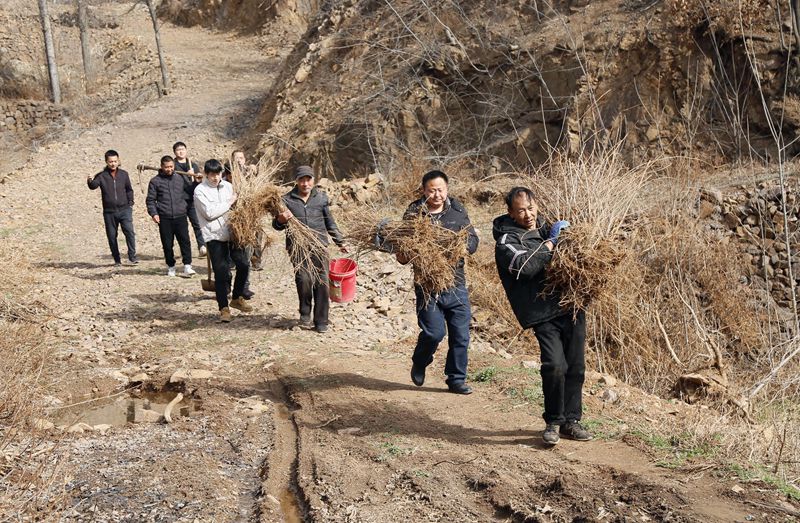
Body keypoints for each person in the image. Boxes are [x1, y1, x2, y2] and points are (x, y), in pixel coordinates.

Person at [493, 186, 591, 445]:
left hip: (570, 305)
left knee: (576, 367)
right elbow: (526, 267)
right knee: (554, 366)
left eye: (531, 207)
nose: (528, 214)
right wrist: (550, 244)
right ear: (511, 213)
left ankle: (572, 421)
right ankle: (553, 422)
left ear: (537, 204)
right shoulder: (506, 241)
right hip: (540, 312)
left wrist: (573, 238)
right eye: (521, 210)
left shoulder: (549, 226)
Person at [401, 170, 479, 395]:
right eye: (432, 190)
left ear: (447, 189)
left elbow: (472, 238)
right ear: (424, 191)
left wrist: (464, 247)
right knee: (434, 333)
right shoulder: (415, 213)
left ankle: (456, 379)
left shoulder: (457, 211)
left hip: (456, 282)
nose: (437, 194)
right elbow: (403, 247)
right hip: (427, 285)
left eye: (440, 190)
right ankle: (420, 359)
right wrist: (407, 251)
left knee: (461, 335)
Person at [272, 165, 346, 333]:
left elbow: (330, 223)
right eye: (301, 180)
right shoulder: (286, 200)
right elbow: (276, 226)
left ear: (313, 180)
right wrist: (281, 219)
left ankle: (321, 321)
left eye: (308, 180)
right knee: (304, 279)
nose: (305, 184)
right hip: (298, 248)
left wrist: (340, 241)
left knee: (322, 283)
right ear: (296, 181)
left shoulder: (321, 199)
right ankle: (305, 312)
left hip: (320, 246)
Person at [193, 159, 253, 322]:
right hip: (214, 236)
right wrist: (229, 202)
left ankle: (237, 298)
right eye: (211, 174)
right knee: (221, 272)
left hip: (233, 233)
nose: (215, 178)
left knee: (244, 265)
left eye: (218, 174)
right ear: (206, 174)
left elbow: (237, 206)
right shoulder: (200, 191)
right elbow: (209, 213)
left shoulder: (228, 186)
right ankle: (223, 308)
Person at [145, 155, 196, 277]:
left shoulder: (180, 178)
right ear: (161, 167)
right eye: (166, 167)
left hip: (181, 215)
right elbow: (150, 200)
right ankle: (171, 266)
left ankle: (187, 265)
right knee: (167, 244)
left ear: (174, 165)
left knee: (185, 241)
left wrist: (196, 181)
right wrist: (154, 213)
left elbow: (190, 191)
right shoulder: (155, 181)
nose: (169, 169)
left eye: (171, 166)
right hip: (164, 217)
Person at [87, 150, 137, 267]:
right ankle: (117, 260)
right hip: (109, 212)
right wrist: (89, 179)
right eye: (110, 162)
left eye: (115, 161)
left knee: (129, 232)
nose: (113, 164)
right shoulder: (102, 175)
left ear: (118, 161)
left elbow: (129, 189)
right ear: (106, 162)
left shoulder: (124, 174)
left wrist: (130, 202)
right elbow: (93, 186)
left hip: (125, 210)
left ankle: (132, 257)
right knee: (111, 235)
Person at [172, 141, 206, 258]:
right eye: (178, 149)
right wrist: (187, 175)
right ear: (175, 152)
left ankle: (202, 246)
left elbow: (198, 184)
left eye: (183, 149)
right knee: (182, 226)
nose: (181, 151)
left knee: (197, 223)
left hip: (191, 199)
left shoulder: (193, 165)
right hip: (179, 200)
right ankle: (185, 250)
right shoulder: (172, 166)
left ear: (186, 150)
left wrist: (196, 178)